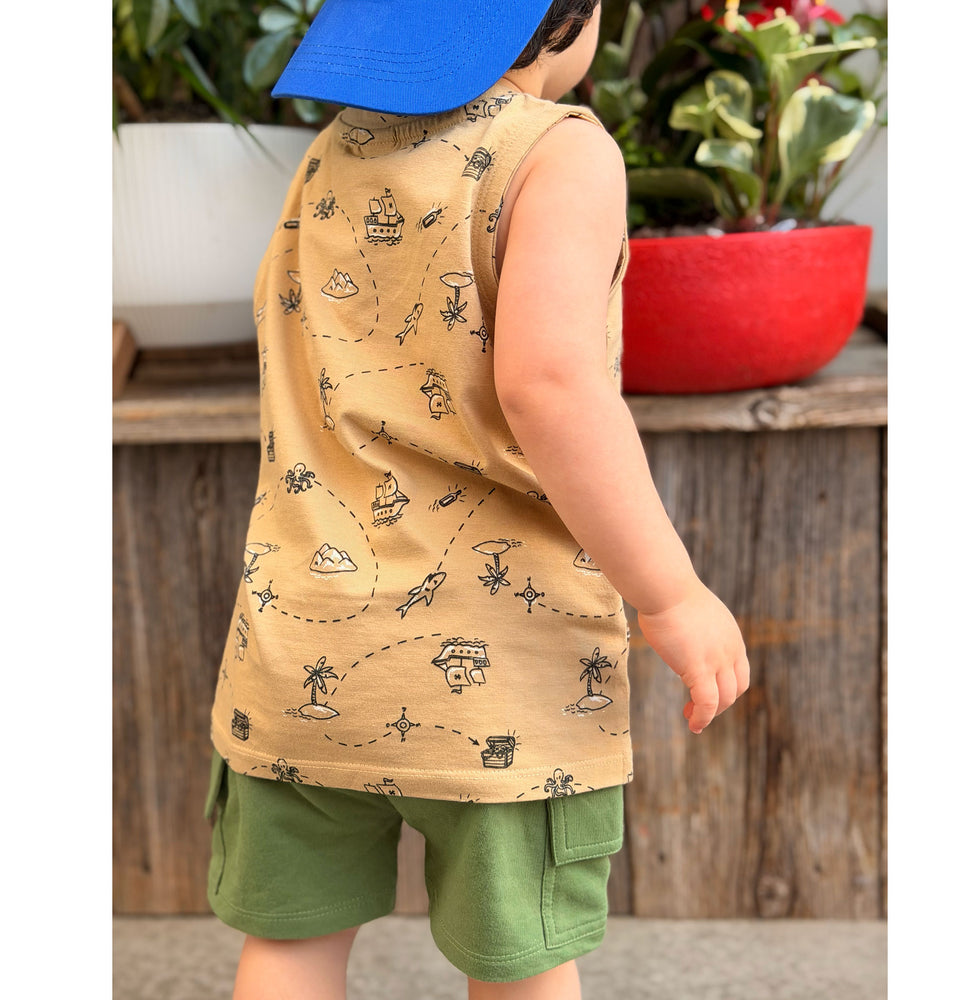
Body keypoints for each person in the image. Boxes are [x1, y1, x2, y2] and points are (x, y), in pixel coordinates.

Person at [204, 2, 750, 997]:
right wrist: (670, 594)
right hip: (499, 666)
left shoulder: (331, 152)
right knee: (521, 958)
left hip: (301, 640)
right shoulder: (559, 152)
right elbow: (549, 385)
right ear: (566, 18)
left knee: (290, 943)